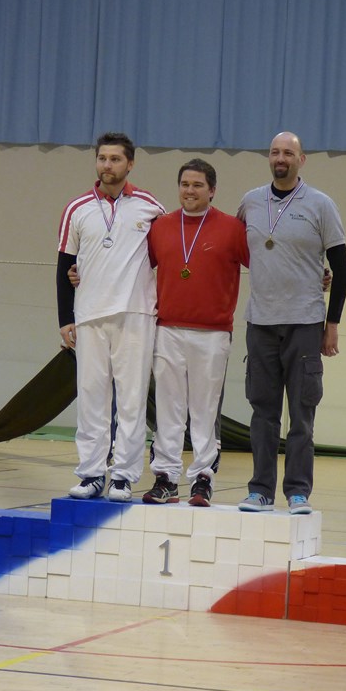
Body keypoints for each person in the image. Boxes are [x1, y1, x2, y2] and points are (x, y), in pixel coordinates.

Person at [236, 131, 346, 514]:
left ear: (301, 160)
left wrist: (331, 323)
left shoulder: (321, 204)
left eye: (288, 152)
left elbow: (342, 268)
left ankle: (298, 492)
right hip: (260, 324)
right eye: (275, 152)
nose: (280, 158)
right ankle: (260, 491)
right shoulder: (250, 202)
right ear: (269, 158)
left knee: (302, 415)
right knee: (263, 414)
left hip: (305, 323)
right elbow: (234, 252)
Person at [57, 132, 165, 503]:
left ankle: (122, 476)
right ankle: (91, 473)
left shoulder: (150, 207)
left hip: (136, 315)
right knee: (91, 398)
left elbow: (169, 255)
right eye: (102, 158)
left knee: (132, 399)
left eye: (115, 159)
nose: (107, 165)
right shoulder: (77, 209)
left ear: (130, 164)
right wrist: (65, 318)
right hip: (89, 315)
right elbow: (64, 265)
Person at [141, 159, 249, 507]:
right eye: (185, 184)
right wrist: (82, 273)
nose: (190, 190)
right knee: (168, 407)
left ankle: (203, 479)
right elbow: (131, 267)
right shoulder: (160, 227)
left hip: (213, 333)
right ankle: (166, 478)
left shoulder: (233, 229)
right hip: (167, 329)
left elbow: (266, 266)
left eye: (198, 185)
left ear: (212, 190)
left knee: (205, 409)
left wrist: (313, 276)